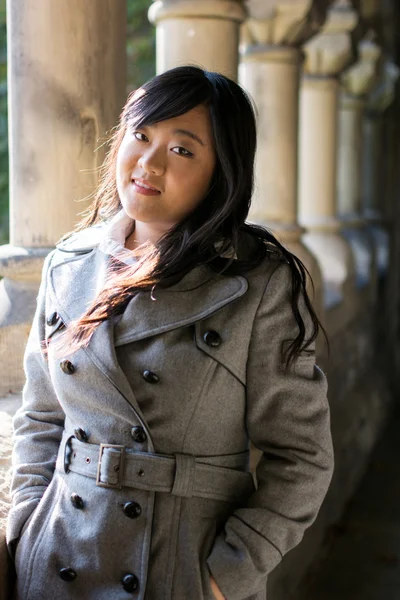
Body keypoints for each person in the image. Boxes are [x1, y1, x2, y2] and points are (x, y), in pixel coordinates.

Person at [6, 65, 334, 600]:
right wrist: (24, 529)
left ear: (220, 171)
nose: (150, 162)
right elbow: (42, 417)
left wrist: (226, 574)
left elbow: (302, 455)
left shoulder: (259, 284)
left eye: (183, 150)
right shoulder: (68, 265)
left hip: (178, 569)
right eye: (141, 135)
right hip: (58, 558)